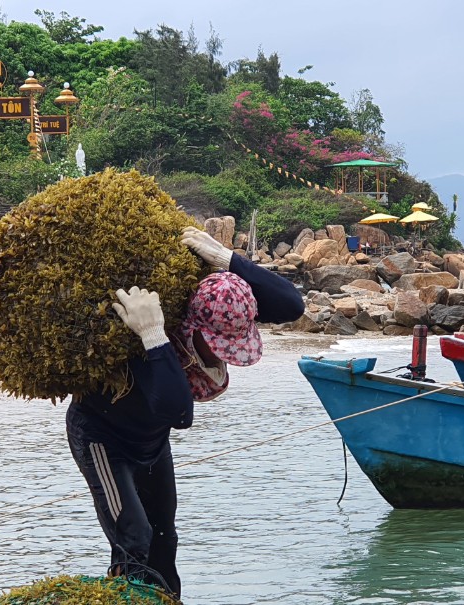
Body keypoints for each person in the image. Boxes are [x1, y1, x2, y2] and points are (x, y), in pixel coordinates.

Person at [66, 226, 304, 599]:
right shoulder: (151, 323)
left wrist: (226, 258)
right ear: (192, 326)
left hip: (152, 441)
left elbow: (293, 305)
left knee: (164, 538)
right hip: (103, 439)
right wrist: (153, 334)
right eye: (219, 346)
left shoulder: (222, 308)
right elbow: (179, 412)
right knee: (134, 536)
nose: (225, 356)